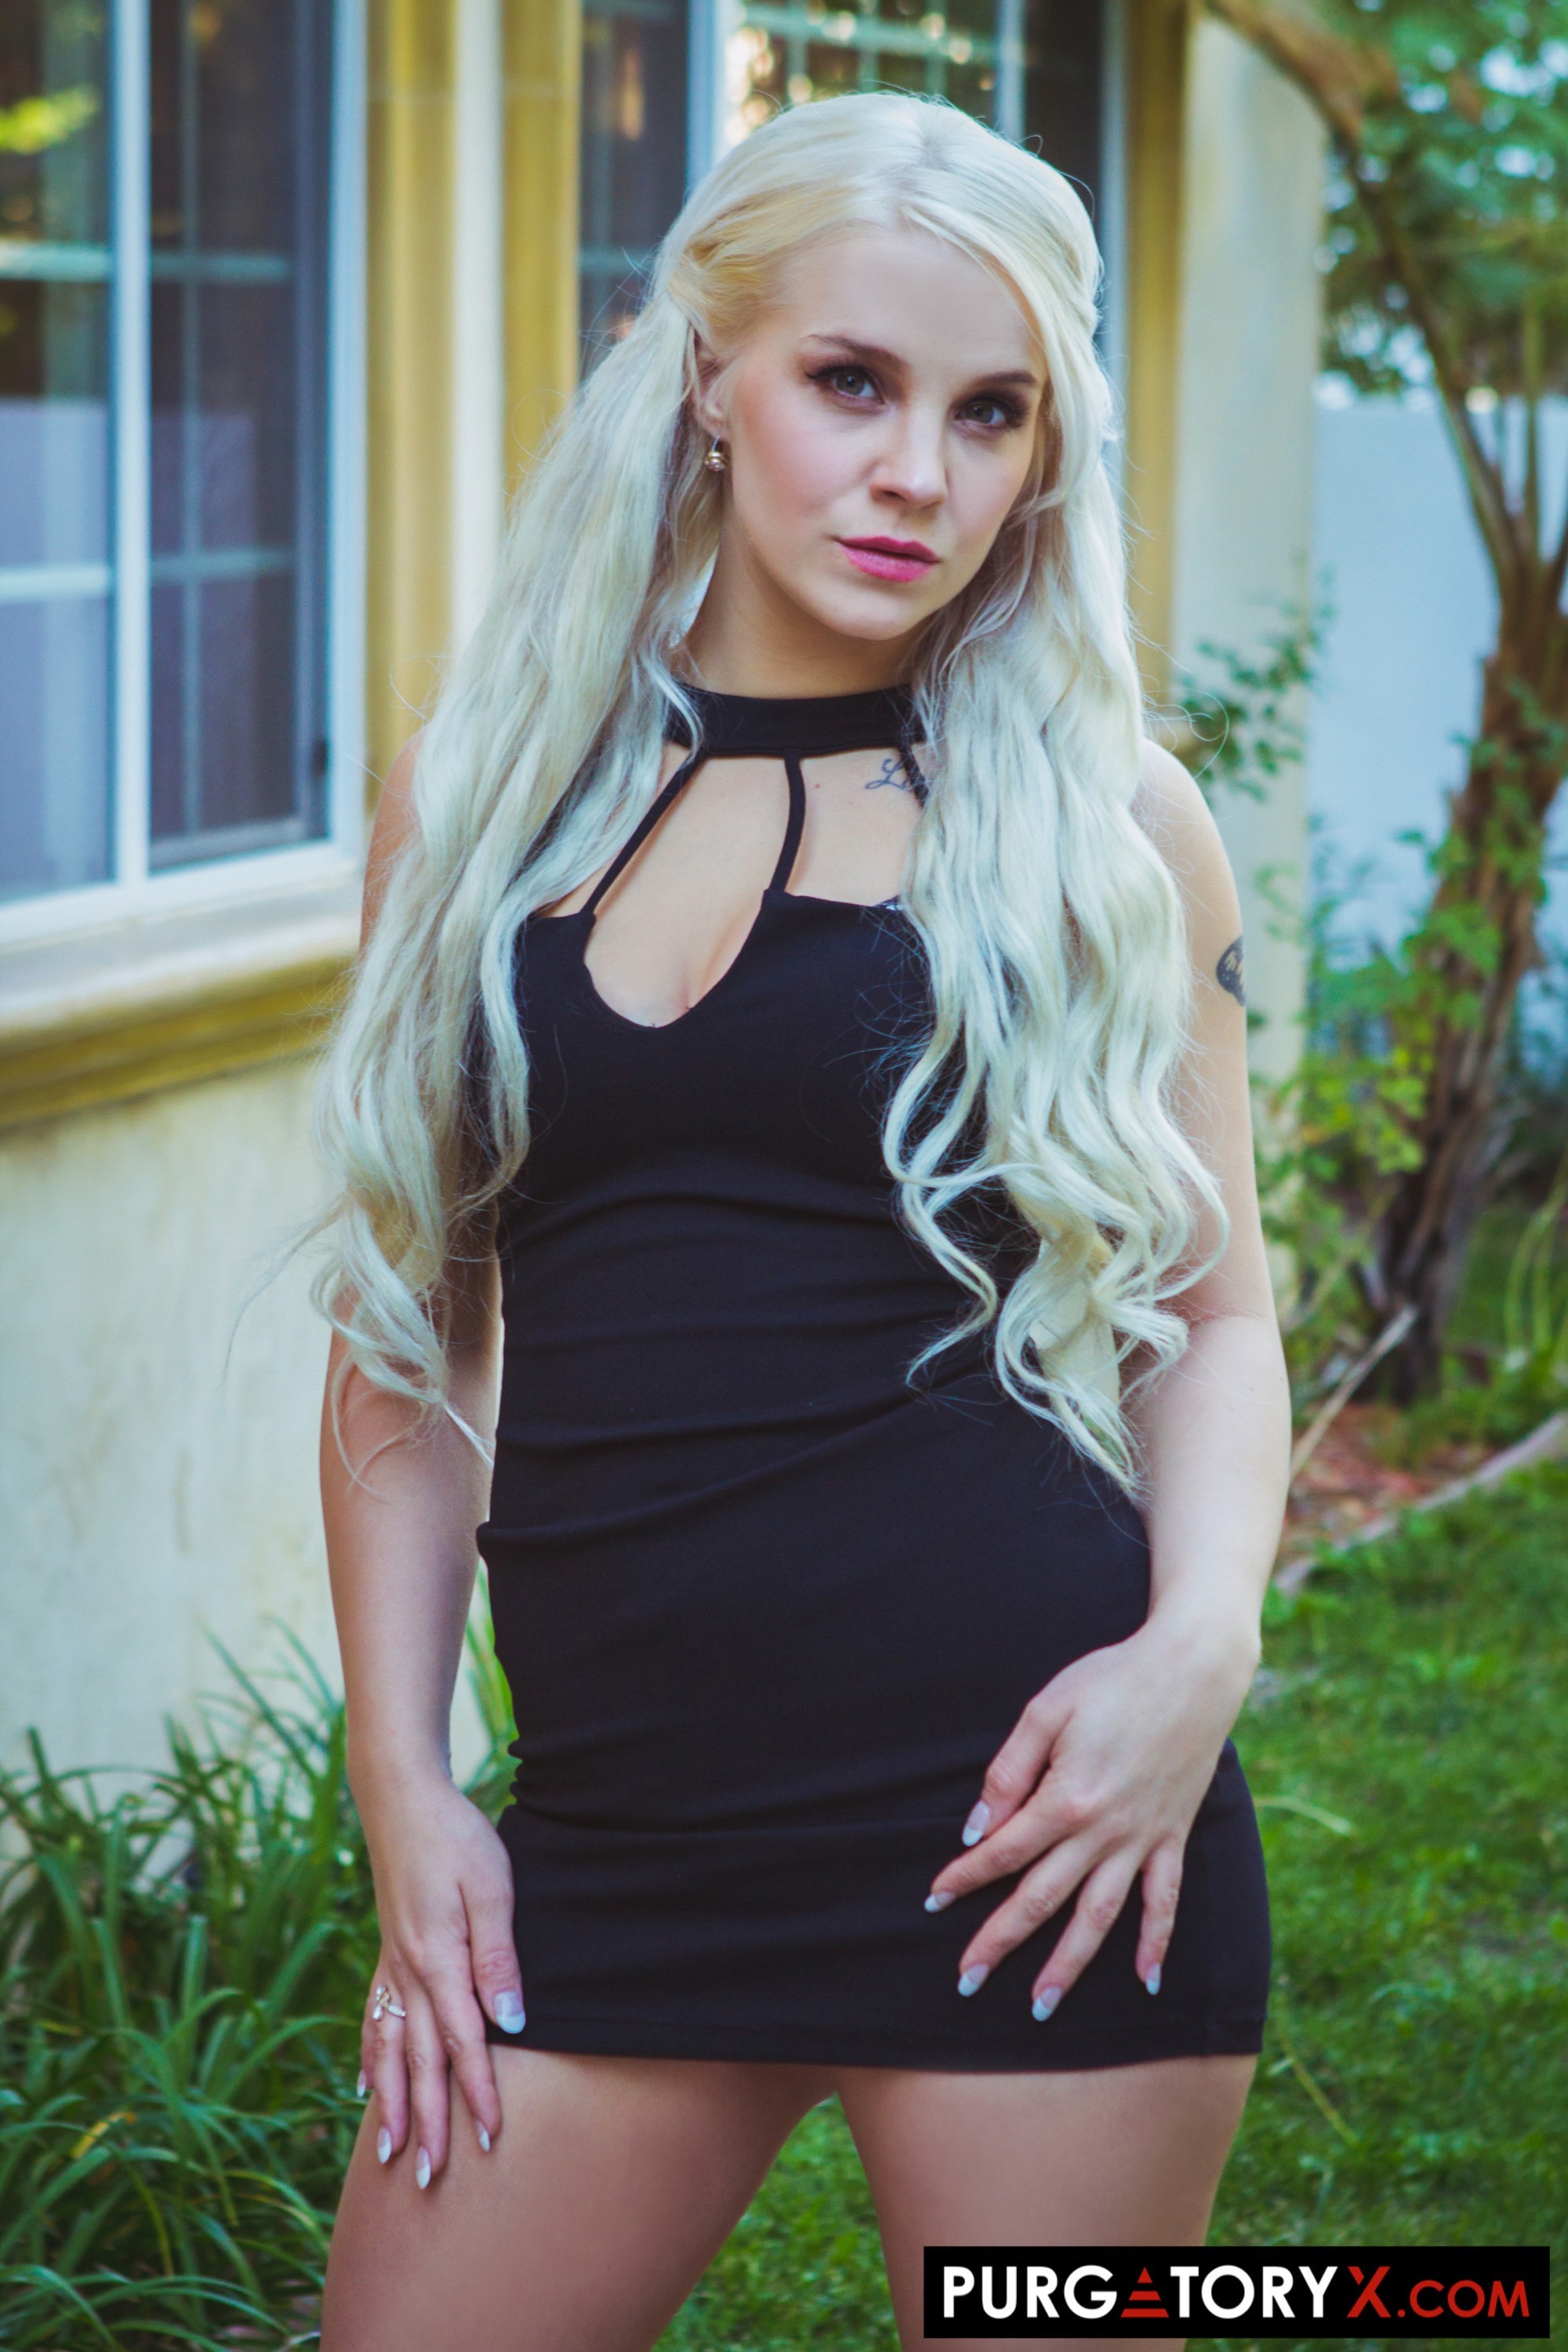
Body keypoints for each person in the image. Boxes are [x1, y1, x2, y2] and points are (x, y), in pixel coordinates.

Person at [314, 90, 1290, 2352]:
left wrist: (1198, 1653)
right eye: (853, 382)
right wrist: (406, 1786)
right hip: (617, 1836)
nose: (918, 472)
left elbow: (1212, 1316)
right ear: (704, 377)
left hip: (1040, 1822)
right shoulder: (483, 803)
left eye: (990, 412)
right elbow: (403, 1337)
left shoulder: (1106, 820)